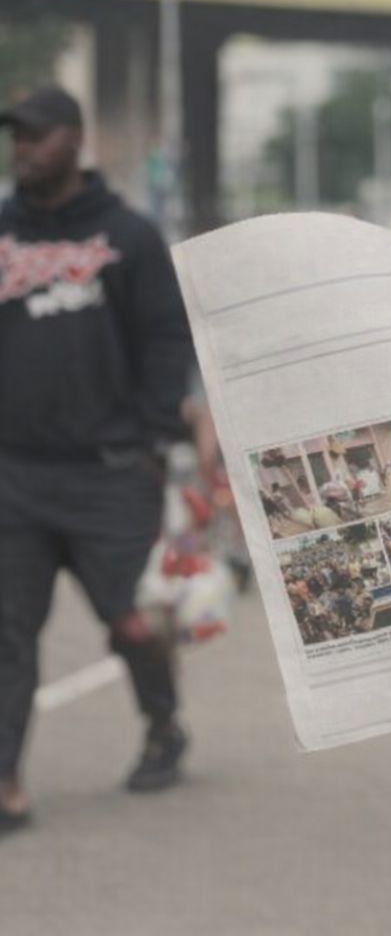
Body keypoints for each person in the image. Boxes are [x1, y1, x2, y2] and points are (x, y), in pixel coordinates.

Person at [0, 85, 197, 835]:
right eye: (16, 135)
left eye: (38, 135)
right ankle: (6, 781)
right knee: (8, 637)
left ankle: (163, 725)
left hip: (110, 473)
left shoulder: (128, 237)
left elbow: (166, 342)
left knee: (133, 624)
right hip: (14, 473)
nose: (23, 147)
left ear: (76, 141)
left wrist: (151, 439)